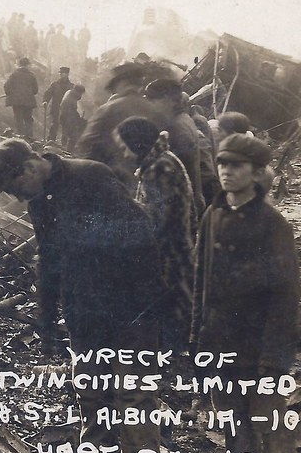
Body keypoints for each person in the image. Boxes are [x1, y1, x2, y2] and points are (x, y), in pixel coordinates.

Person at [0, 138, 164, 453]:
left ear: (30, 168)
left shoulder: (90, 176)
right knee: (91, 388)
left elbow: (140, 234)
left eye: (17, 189)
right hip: (85, 309)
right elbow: (47, 260)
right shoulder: (40, 201)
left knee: (132, 391)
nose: (18, 199)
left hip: (129, 305)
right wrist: (46, 318)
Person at [192, 133, 301, 453]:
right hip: (222, 342)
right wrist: (197, 341)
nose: (226, 172)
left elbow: (286, 296)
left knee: (269, 423)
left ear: (257, 173)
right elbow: (200, 283)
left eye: (236, 165)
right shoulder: (212, 214)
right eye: (222, 164)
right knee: (232, 420)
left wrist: (274, 358)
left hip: (260, 345)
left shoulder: (273, 225)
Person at [116, 117, 194, 351]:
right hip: (175, 242)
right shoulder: (161, 161)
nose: (124, 152)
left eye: (125, 146)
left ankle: (174, 345)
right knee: (177, 292)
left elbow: (157, 217)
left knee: (171, 293)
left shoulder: (159, 168)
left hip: (168, 246)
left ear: (137, 143)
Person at [75, 62, 168, 187]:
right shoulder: (156, 112)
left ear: (122, 83)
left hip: (109, 183)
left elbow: (86, 146)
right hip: (144, 185)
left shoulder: (108, 109)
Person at [143, 79, 204, 223]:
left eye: (151, 100)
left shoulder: (176, 129)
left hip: (179, 208)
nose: (148, 105)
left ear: (166, 99)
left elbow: (175, 174)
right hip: (188, 201)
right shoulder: (183, 120)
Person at [3, 57, 38, 138]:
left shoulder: (14, 74)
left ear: (20, 65)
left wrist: (10, 94)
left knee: (18, 119)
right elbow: (35, 90)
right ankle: (30, 138)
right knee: (28, 119)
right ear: (27, 65)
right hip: (28, 102)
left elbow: (6, 87)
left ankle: (20, 137)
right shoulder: (32, 76)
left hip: (17, 102)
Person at [41, 66, 72, 142]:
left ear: (67, 74)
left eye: (63, 73)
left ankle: (64, 143)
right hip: (56, 108)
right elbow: (48, 94)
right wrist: (45, 101)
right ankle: (51, 140)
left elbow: (74, 98)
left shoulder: (71, 86)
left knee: (65, 126)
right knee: (55, 124)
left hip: (67, 109)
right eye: (60, 73)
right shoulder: (54, 84)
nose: (61, 75)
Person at [59, 84, 86, 152]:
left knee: (71, 136)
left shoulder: (70, 94)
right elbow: (71, 112)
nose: (81, 96)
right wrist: (79, 120)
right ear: (77, 92)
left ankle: (68, 151)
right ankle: (69, 152)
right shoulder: (71, 99)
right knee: (74, 136)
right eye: (81, 93)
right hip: (68, 119)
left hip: (65, 118)